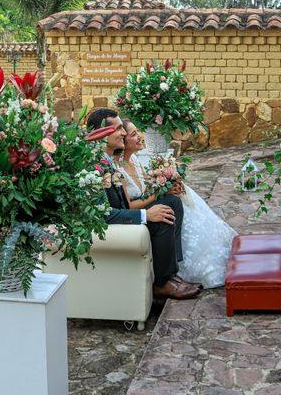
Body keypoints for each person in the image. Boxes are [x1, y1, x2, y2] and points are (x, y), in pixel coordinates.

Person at [86, 108, 201, 300]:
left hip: (121, 216)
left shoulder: (107, 162)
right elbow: (103, 214)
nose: (122, 133)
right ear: (100, 134)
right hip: (112, 227)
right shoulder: (93, 166)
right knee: (162, 216)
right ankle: (162, 284)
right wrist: (146, 215)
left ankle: (171, 274)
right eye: (117, 129)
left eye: (123, 128)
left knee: (170, 204)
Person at [117, 120, 236, 289]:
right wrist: (159, 192)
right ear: (124, 141)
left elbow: (148, 185)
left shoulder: (135, 160)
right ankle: (170, 273)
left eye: (138, 132)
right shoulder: (118, 170)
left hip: (147, 203)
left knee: (177, 197)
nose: (140, 137)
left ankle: (176, 264)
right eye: (133, 134)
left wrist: (167, 181)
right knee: (171, 204)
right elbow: (132, 203)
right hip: (139, 212)